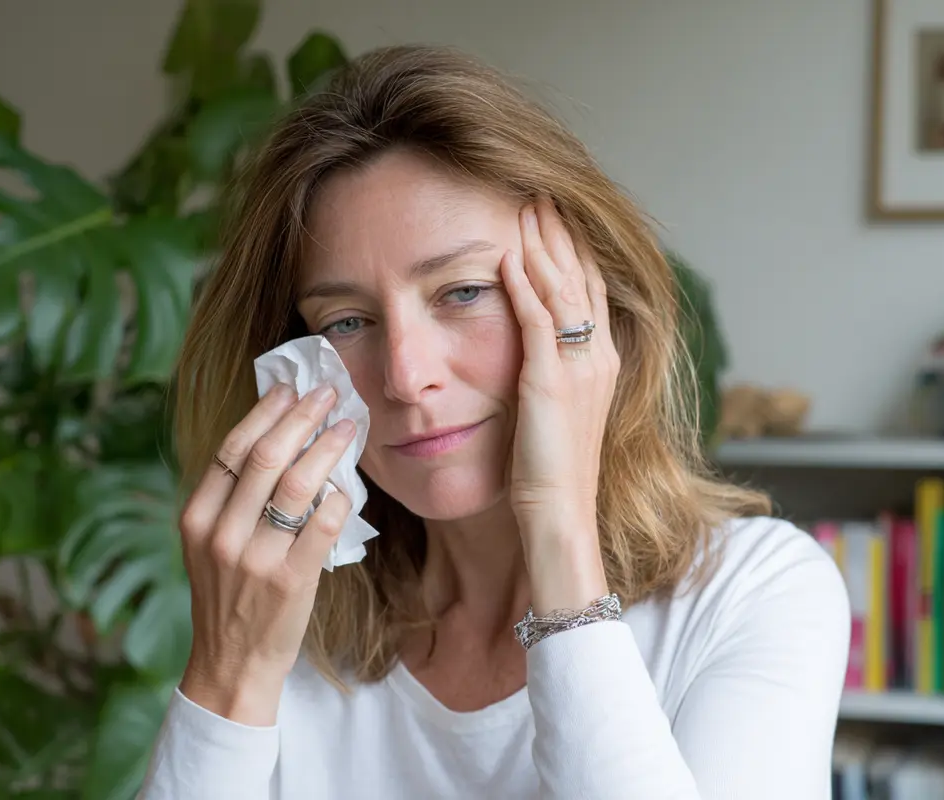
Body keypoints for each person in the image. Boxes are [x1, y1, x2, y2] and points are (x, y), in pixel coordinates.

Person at [139, 43, 850, 800]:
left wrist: (559, 534)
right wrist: (227, 676)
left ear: (583, 306)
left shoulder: (752, 592)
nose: (408, 377)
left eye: (464, 292)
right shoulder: (290, 642)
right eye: (348, 322)